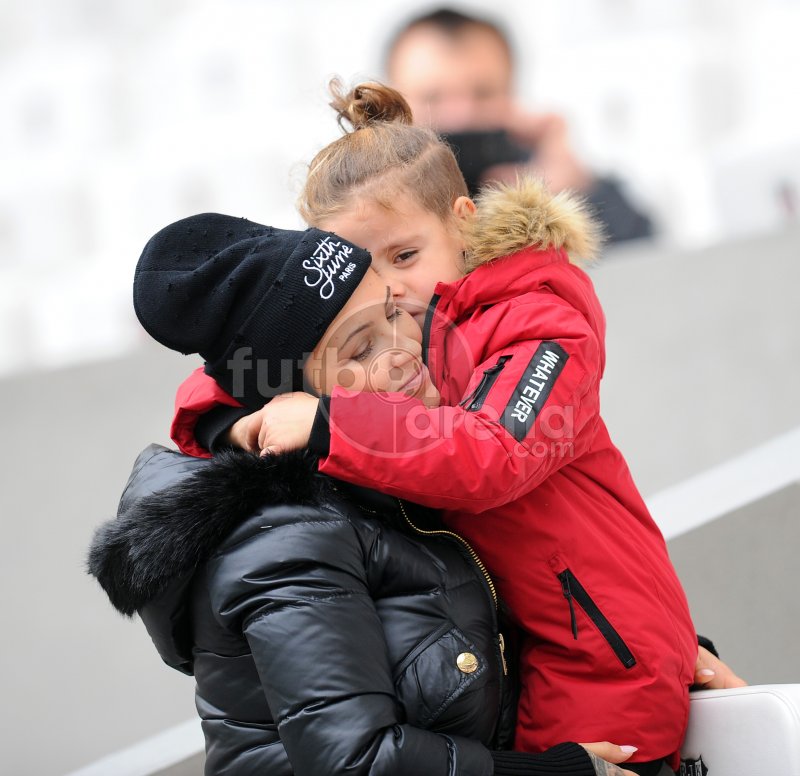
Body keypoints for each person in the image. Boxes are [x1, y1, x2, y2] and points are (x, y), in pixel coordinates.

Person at [167, 84, 745, 775]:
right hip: (521, 651)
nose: (392, 288)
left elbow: (491, 454)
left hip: (604, 659)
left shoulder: (536, 319)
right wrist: (229, 416)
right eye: (363, 268)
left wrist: (325, 425)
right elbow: (267, 350)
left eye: (404, 256)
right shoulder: (402, 335)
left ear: (463, 223)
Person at [88, 214, 641, 776]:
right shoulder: (284, 535)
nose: (403, 352)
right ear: (291, 398)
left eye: (396, 312)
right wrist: (563, 773)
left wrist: (656, 652)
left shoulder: (389, 472)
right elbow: (355, 763)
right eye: (359, 351)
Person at [384, 7, 653, 245]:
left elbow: (644, 261)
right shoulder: (364, 192)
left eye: (483, 93)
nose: (461, 116)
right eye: (432, 98)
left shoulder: (541, 176)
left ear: (512, 92)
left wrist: (577, 197)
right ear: (390, 104)